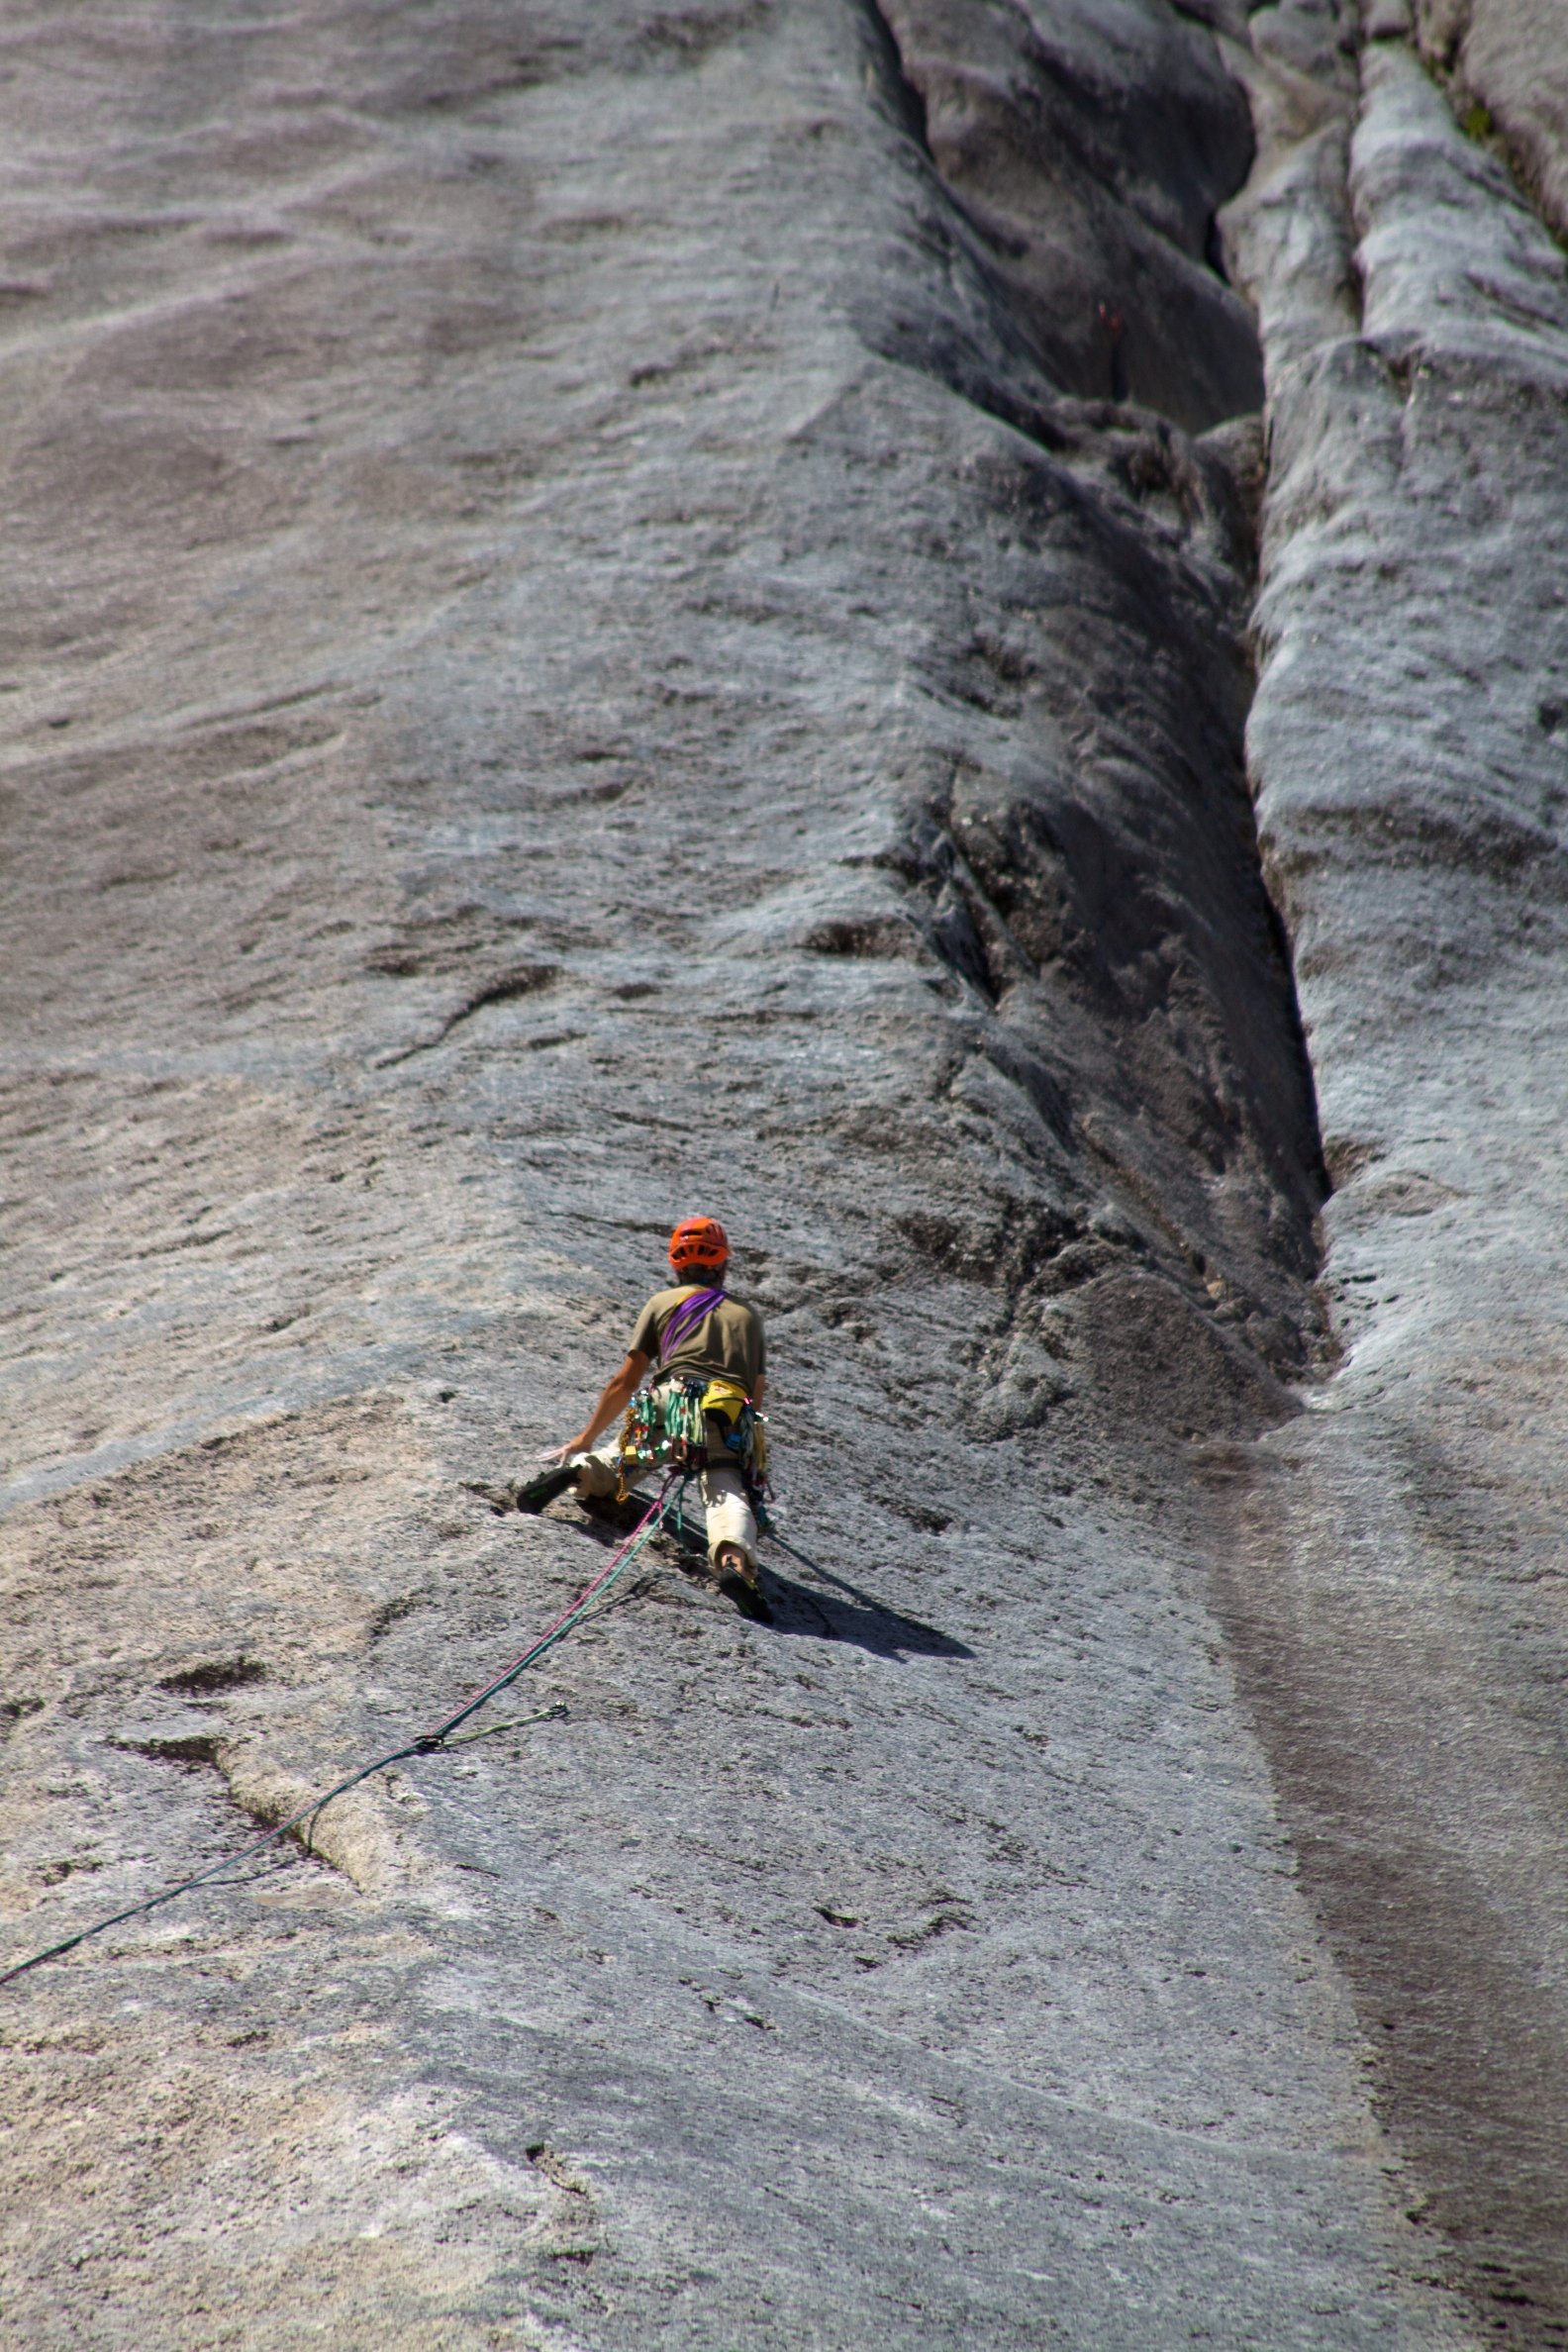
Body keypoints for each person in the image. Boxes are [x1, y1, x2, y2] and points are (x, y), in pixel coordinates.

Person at [528, 1217, 771, 1620]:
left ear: (678, 1266)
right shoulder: (747, 1317)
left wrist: (584, 1438)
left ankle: (580, 1473)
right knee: (727, 1492)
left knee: (626, 1458)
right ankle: (734, 1566)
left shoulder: (662, 1303)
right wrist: (747, 1455)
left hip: (667, 1401)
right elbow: (755, 1399)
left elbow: (625, 1380)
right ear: (723, 1265)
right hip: (724, 1411)